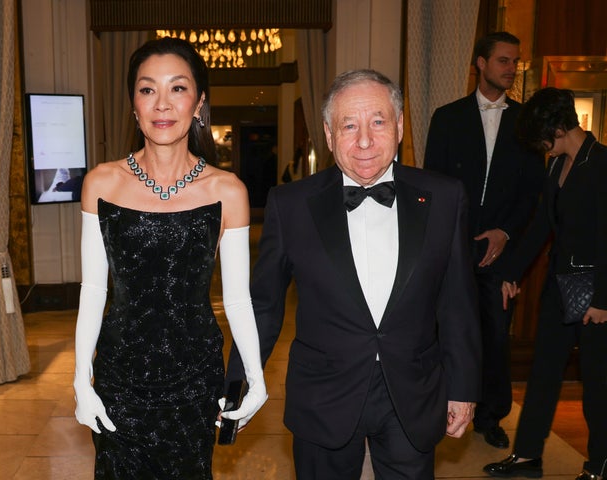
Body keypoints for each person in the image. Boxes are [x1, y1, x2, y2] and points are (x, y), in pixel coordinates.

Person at [227, 69, 481, 479]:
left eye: (378, 122)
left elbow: (458, 303)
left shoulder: (445, 197)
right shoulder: (291, 204)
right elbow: (263, 307)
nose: (364, 140)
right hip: (324, 393)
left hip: (412, 391)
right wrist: (237, 384)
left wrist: (464, 387)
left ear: (399, 126)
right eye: (349, 125)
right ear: (329, 135)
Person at [73, 37, 268, 479]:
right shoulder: (100, 183)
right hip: (120, 376)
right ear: (133, 104)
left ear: (199, 103)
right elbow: (94, 289)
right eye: (147, 89)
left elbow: (237, 299)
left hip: (194, 378)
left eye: (177, 88)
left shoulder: (227, 190)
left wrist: (255, 378)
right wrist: (80, 379)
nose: (162, 104)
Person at [423, 31, 544, 450]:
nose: (511, 69)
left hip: (499, 249)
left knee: (495, 335)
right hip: (452, 245)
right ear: (480, 63)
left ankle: (490, 416)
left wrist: (505, 232)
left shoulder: (526, 122)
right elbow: (432, 184)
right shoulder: (447, 116)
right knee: (442, 330)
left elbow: (534, 190)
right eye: (503, 61)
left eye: (515, 62)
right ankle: (439, 406)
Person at [483, 87, 607, 480]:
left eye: (541, 137)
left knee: (597, 383)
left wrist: (604, 299)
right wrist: (510, 272)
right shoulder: (556, 166)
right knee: (543, 374)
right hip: (560, 286)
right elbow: (541, 228)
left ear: (557, 127)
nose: (540, 146)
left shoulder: (602, 163)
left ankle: (600, 463)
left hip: (597, 292)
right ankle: (527, 456)